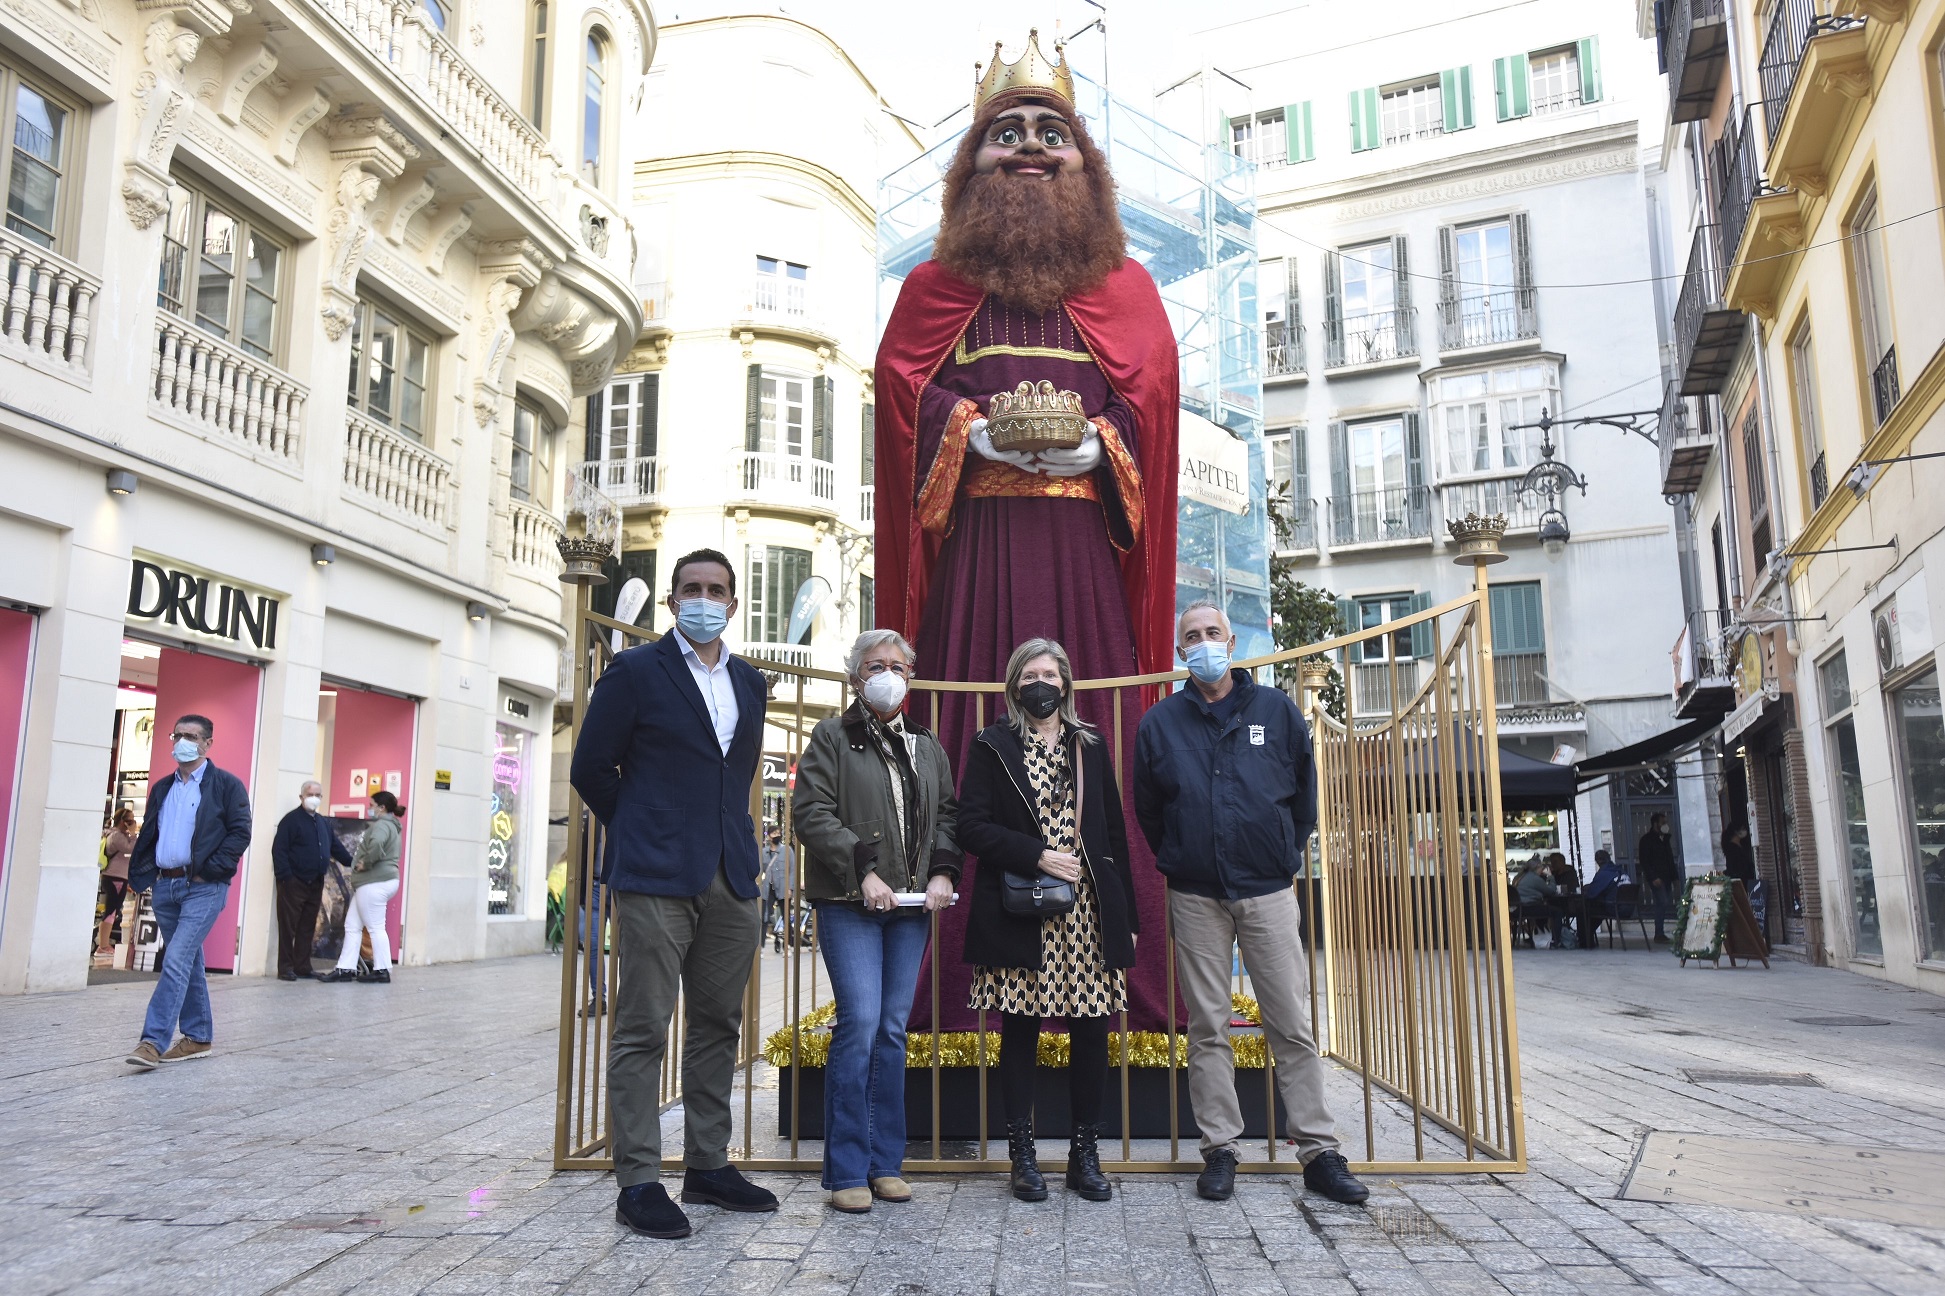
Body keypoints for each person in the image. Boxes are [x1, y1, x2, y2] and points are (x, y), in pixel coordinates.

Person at [874, 32, 1180, 1035]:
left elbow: (1153, 407)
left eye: (1054, 133)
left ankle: (1110, 980)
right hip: (975, 553)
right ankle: (959, 995)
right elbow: (901, 394)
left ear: (1087, 164)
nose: (1033, 148)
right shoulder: (933, 291)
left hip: (1083, 556)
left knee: (1093, 736)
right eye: (1007, 134)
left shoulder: (1125, 291)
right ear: (974, 166)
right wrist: (967, 426)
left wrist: (1104, 446)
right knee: (973, 730)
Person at [569, 548, 777, 1240]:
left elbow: (732, 772)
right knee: (642, 1028)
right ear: (671, 601)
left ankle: (709, 1165)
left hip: (730, 876)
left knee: (719, 1026)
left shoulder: (749, 682)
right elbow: (592, 767)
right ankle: (638, 1179)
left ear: (733, 604)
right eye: (691, 588)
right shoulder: (633, 671)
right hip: (654, 874)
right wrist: (640, 824)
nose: (703, 598)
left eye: (716, 589)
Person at [1132, 601, 1369, 1208]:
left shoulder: (1277, 712)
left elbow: (1303, 799)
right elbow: (1150, 811)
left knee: (1289, 1021)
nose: (1204, 643)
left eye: (1213, 633)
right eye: (1192, 636)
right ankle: (1220, 1149)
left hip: (1266, 890)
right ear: (1180, 651)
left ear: (1232, 642)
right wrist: (1183, 857)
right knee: (1207, 1025)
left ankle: (1319, 1151)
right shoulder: (1160, 723)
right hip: (1195, 895)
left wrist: (1281, 857)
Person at [960, 638, 1138, 1204]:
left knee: (1092, 1029)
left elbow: (1114, 835)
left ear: (1065, 682)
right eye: (1030, 674)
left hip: (1087, 909)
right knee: (1021, 1028)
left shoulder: (1090, 746)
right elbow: (971, 826)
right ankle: (1023, 1156)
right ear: (1015, 685)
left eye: (1050, 674)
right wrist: (1035, 853)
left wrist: (1125, 912)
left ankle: (1084, 1155)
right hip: (1022, 906)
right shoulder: (993, 745)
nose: (1041, 683)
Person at [793, 629, 961, 1214]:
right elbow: (810, 812)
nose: (886, 674)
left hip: (912, 909)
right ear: (854, 678)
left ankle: (885, 1164)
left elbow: (948, 813)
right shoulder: (831, 737)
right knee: (860, 1023)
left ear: (910, 677)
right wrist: (862, 869)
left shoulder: (926, 745)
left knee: (892, 1029)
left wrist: (942, 872)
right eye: (873, 666)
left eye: (896, 665)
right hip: (850, 904)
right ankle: (846, 1171)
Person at [124, 713, 252, 1070]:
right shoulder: (163, 787)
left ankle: (152, 1041)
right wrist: (144, 875)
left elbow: (240, 833)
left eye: (191, 736)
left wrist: (209, 872)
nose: (182, 741)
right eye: (178, 734)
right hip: (165, 886)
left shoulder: (226, 785)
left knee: (176, 958)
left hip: (204, 888)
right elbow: (151, 834)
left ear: (208, 743)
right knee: (189, 961)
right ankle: (197, 1037)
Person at [271, 780, 352, 980]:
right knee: (288, 926)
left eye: (318, 795)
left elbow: (336, 848)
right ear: (301, 797)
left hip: (315, 882)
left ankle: (302, 966)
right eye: (310, 794)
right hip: (294, 882)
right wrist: (286, 877)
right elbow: (279, 850)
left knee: (307, 926)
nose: (314, 798)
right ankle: (285, 968)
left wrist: (353, 862)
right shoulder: (290, 820)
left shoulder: (323, 822)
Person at [320, 790, 402, 983]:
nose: (369, 809)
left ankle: (382, 969)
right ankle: (345, 968)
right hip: (377, 883)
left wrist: (366, 863)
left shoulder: (382, 825)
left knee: (375, 927)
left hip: (374, 882)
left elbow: (377, 844)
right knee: (353, 925)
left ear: (382, 808)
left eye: (372, 805)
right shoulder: (391, 825)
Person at [96, 808, 137, 956]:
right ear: (123, 822)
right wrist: (133, 834)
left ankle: (103, 944)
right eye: (130, 821)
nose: (133, 824)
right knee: (111, 911)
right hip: (116, 878)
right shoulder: (118, 837)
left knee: (111, 910)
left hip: (114, 877)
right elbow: (132, 849)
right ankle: (103, 945)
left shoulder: (111, 834)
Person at [1638, 813, 1678, 943]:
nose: (1665, 825)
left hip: (1666, 877)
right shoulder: (1647, 840)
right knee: (1662, 902)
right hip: (1656, 878)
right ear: (1655, 824)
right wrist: (1653, 877)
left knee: (1664, 902)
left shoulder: (1665, 839)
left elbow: (1669, 859)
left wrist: (1674, 876)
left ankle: (1660, 932)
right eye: (1663, 822)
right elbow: (1645, 861)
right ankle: (1659, 933)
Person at [1515, 857, 1564, 948]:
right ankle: (1555, 940)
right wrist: (1550, 876)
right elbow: (1551, 891)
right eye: (1541, 866)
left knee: (1544, 909)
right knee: (1557, 912)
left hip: (1519, 908)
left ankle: (1537, 937)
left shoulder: (1520, 877)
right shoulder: (1535, 879)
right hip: (1530, 907)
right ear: (1538, 867)